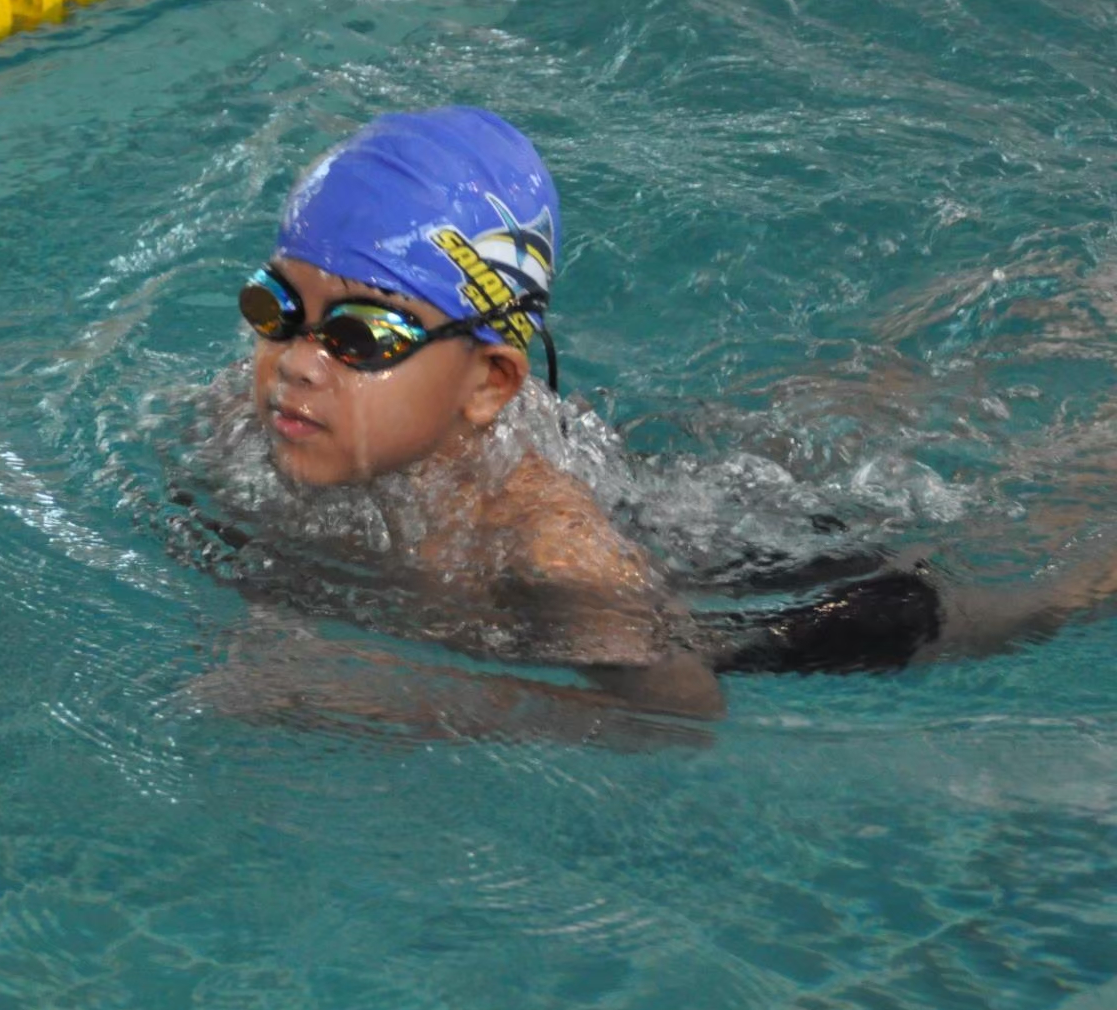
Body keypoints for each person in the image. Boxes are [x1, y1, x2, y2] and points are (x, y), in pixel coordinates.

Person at [188, 107, 1115, 741]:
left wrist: (386, 697)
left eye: (360, 337)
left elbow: (675, 715)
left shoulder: (548, 554)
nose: (297, 362)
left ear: (490, 384)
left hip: (826, 607)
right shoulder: (250, 414)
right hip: (682, 513)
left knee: (1058, 586)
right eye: (277, 309)